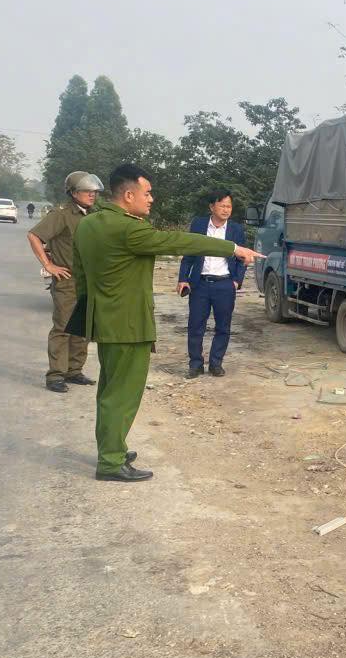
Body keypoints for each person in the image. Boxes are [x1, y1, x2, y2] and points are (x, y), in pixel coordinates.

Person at [71, 163, 262, 482]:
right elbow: (180, 242)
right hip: (129, 325)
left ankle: (112, 447)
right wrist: (233, 248)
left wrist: (93, 313)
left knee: (109, 389)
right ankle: (111, 461)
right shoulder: (129, 229)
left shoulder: (89, 224)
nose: (152, 199)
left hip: (105, 320)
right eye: (147, 193)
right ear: (128, 195)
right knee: (122, 394)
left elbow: (80, 276)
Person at [27, 171, 102, 393]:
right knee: (63, 327)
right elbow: (34, 236)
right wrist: (48, 265)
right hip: (67, 281)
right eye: (87, 191)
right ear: (74, 193)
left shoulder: (94, 215)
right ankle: (56, 375)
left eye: (94, 191)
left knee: (83, 327)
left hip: (89, 281)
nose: (92, 195)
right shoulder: (61, 215)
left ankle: (74, 370)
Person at [176, 190, 247, 378]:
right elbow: (189, 253)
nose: (226, 210)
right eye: (222, 206)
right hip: (200, 284)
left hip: (225, 284)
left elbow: (243, 257)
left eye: (229, 206)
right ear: (211, 207)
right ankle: (195, 364)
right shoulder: (199, 225)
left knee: (223, 327)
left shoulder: (236, 230)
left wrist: (236, 281)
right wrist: (183, 278)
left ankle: (216, 363)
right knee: (195, 326)